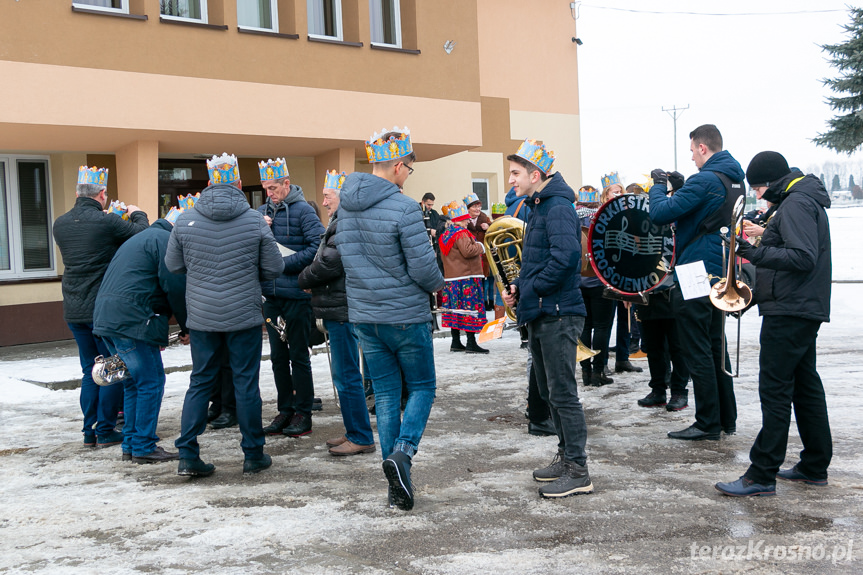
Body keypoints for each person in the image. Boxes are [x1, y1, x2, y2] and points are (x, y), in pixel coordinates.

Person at [335, 127, 444, 510]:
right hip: (404, 314)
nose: (409, 176)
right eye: (410, 169)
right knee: (422, 388)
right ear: (399, 165)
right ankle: (403, 454)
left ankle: (397, 482)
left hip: (365, 315)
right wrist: (437, 282)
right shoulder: (405, 207)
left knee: (383, 394)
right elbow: (424, 271)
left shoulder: (345, 206)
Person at [716, 151, 832, 496]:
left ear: (767, 183)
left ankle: (761, 473)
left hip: (790, 310)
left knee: (775, 389)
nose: (759, 196)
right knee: (805, 386)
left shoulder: (795, 203)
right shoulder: (801, 198)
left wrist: (752, 251)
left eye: (758, 188)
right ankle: (814, 464)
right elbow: (796, 246)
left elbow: (802, 257)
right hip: (800, 306)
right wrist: (764, 236)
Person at [166, 153, 285, 477]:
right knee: (246, 383)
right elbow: (275, 267)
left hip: (202, 317)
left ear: (208, 185)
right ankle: (252, 454)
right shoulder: (253, 220)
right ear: (237, 184)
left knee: (200, 381)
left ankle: (187, 454)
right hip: (243, 315)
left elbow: (173, 266)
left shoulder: (186, 220)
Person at [502, 139, 593, 499]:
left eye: (515, 173)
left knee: (563, 393)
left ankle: (578, 468)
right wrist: (517, 286)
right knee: (549, 391)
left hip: (558, 312)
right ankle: (566, 455)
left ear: (535, 174)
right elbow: (536, 260)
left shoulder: (556, 205)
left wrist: (532, 288)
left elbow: (566, 258)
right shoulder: (539, 205)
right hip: (544, 310)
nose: (510, 180)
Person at [649, 124, 743, 441]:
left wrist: (659, 185)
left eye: (692, 150)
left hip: (696, 269)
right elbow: (700, 209)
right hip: (720, 267)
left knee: (697, 347)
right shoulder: (733, 180)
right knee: (716, 345)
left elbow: (660, 213)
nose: (691, 157)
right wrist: (681, 185)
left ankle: (706, 422)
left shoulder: (705, 180)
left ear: (703, 148)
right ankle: (725, 417)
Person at [53, 165, 149, 448]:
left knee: (89, 371)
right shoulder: (105, 222)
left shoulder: (60, 223)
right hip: (102, 310)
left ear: (76, 192)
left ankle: (88, 431)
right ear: (102, 194)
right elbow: (141, 233)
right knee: (112, 369)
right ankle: (106, 430)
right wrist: (136, 213)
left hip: (73, 306)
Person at [93, 211, 189, 464]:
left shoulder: (142, 239)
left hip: (109, 319)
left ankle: (131, 444)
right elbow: (175, 286)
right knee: (151, 382)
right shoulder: (165, 241)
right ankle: (144, 446)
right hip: (133, 321)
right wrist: (187, 325)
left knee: (133, 383)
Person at [297, 170, 376, 457]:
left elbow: (330, 263)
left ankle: (361, 435)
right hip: (338, 304)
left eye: (328, 196)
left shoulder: (344, 224)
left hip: (342, 307)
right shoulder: (341, 221)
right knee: (344, 374)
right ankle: (354, 430)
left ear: (341, 197)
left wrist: (304, 278)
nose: (324, 201)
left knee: (347, 375)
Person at [257, 158, 326, 438]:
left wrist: (285, 265)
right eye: (266, 189)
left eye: (274, 188)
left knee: (298, 355)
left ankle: (303, 412)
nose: (269, 194)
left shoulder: (303, 212)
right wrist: (259, 228)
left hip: (296, 294)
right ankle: (284, 410)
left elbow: (318, 245)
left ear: (287, 184)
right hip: (271, 296)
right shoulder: (261, 212)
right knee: (276, 357)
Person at [578, 173, 624, 387]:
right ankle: (598, 372)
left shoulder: (574, 217)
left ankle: (586, 372)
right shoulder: (605, 217)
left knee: (586, 327)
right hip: (600, 279)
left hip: (579, 281)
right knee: (603, 327)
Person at [438, 200, 488, 354]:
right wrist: (480, 246)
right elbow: (467, 251)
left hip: (452, 279)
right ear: (459, 220)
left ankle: (455, 341)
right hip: (467, 277)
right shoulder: (461, 233)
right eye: (466, 219)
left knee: (455, 309)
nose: (468, 221)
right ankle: (471, 343)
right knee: (469, 310)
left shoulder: (446, 234)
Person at [464, 192, 493, 310]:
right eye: (474, 206)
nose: (477, 209)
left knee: (485, 283)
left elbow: (493, 233)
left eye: (479, 206)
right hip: (470, 257)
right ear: (468, 209)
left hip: (484, 257)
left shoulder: (484, 218)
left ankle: (485, 305)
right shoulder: (464, 221)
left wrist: (489, 227)